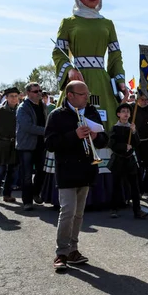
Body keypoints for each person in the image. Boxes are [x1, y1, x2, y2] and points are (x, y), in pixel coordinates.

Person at [43, 0, 128, 208]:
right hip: (77, 79)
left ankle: (108, 193)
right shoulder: (68, 22)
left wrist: (119, 81)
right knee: (71, 124)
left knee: (102, 125)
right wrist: (69, 70)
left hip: (101, 79)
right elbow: (58, 53)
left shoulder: (108, 24)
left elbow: (116, 56)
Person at [45, 81, 109, 271]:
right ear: (70, 95)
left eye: (87, 94)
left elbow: (104, 139)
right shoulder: (57, 115)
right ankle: (61, 253)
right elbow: (50, 143)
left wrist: (97, 137)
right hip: (66, 170)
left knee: (79, 214)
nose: (86, 97)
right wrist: (74, 135)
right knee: (67, 212)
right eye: (83, 94)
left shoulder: (91, 112)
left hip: (87, 169)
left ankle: (73, 249)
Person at [108, 103, 148, 219]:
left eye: (128, 112)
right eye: (123, 111)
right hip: (118, 160)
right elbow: (112, 144)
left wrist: (134, 132)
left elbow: (137, 143)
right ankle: (114, 209)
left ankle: (137, 210)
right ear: (118, 114)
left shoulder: (132, 127)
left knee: (135, 187)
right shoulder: (115, 128)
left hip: (130, 161)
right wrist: (123, 146)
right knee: (116, 186)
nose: (126, 114)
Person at [16, 82, 47, 211]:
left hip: (41, 144)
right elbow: (27, 127)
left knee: (42, 171)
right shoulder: (23, 107)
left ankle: (36, 193)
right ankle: (27, 201)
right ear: (28, 93)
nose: (39, 93)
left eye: (40, 90)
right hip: (26, 146)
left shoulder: (43, 106)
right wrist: (47, 131)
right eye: (36, 91)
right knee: (27, 175)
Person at [0, 87, 19, 204]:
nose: (14, 98)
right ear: (6, 98)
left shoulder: (20, 111)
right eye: (11, 96)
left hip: (15, 144)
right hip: (2, 144)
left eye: (16, 96)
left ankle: (7, 194)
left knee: (13, 171)